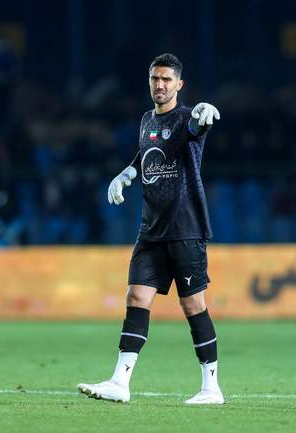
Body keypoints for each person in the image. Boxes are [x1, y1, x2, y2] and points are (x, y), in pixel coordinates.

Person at [77, 53, 223, 404]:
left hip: (185, 227)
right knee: (136, 297)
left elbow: (196, 127)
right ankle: (119, 383)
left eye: (167, 79)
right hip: (151, 228)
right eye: (155, 79)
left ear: (179, 84)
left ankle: (211, 387)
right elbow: (146, 153)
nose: (160, 85)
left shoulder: (186, 117)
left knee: (193, 305)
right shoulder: (146, 120)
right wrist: (126, 174)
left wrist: (204, 113)